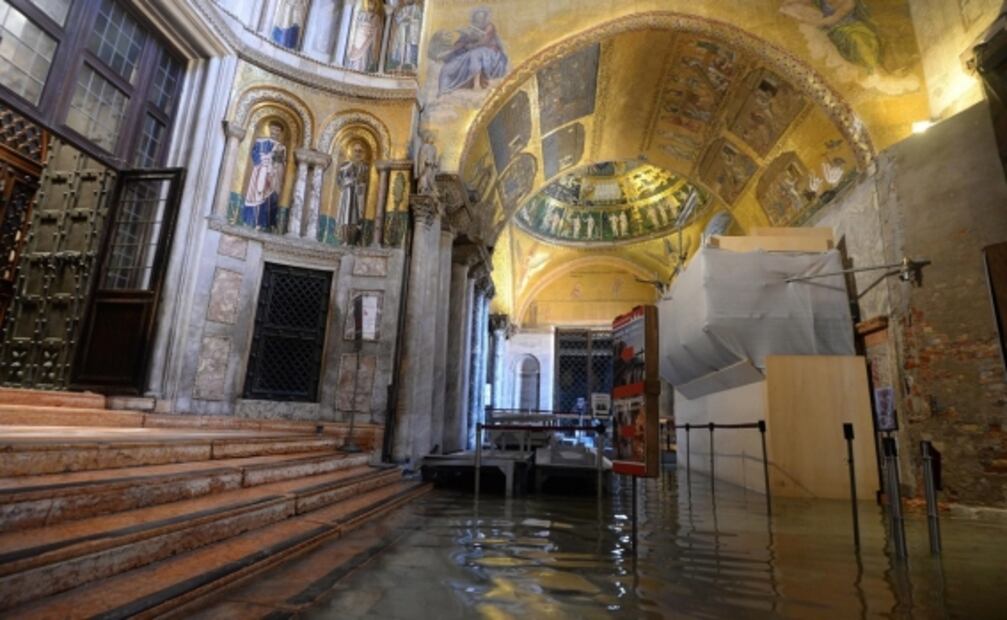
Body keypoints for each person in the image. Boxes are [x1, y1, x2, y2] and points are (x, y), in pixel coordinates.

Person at [780, 0, 881, 71]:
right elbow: (806, 1)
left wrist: (804, 20)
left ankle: (869, 63)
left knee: (857, 40)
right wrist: (789, 2)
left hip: (848, 28)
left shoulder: (849, 2)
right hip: (836, 29)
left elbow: (831, 21)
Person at [437, 8, 508, 95]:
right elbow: (460, 44)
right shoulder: (470, 29)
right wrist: (448, 52)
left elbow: (485, 41)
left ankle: (476, 84)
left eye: (481, 17)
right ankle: (443, 91)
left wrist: (473, 45)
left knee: (475, 54)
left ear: (485, 18)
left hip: (490, 53)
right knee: (448, 67)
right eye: (477, 17)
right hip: (470, 53)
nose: (479, 19)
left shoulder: (489, 27)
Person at [242, 122, 287, 231]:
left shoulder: (281, 147)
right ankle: (250, 221)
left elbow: (281, 162)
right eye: (273, 129)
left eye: (277, 130)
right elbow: (254, 153)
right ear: (269, 129)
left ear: (280, 133)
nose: (274, 132)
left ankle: (265, 224)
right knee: (255, 195)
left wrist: (273, 168)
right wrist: (262, 160)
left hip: (272, 176)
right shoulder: (260, 141)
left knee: (269, 198)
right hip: (259, 173)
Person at [336, 142, 370, 245]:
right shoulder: (345, 165)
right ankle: (344, 240)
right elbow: (340, 180)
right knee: (345, 217)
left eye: (360, 151)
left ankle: (354, 241)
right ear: (351, 152)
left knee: (356, 218)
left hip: (359, 195)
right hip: (347, 194)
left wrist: (360, 184)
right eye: (356, 151)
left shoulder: (365, 167)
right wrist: (350, 181)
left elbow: (365, 181)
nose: (358, 153)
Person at [344, 0, 384, 73]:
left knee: (363, 53)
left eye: (373, 4)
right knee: (354, 48)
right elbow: (356, 21)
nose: (371, 6)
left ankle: (360, 68)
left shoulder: (376, 16)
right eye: (369, 4)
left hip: (366, 35)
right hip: (358, 33)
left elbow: (374, 28)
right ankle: (350, 65)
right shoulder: (362, 13)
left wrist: (367, 28)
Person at [388, 0, 423, 73]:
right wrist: (404, 17)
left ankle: (413, 65)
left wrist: (411, 20)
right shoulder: (403, 9)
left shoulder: (417, 8)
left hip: (412, 30)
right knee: (402, 47)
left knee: (411, 47)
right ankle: (401, 63)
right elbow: (398, 19)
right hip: (403, 29)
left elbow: (420, 19)